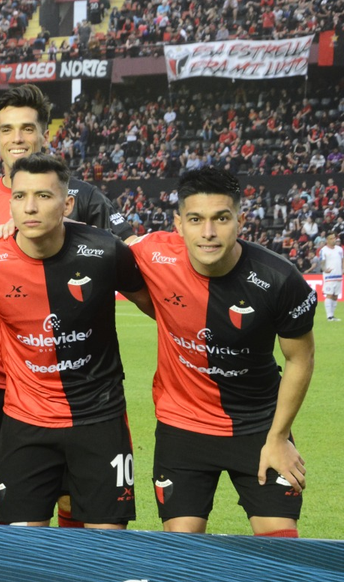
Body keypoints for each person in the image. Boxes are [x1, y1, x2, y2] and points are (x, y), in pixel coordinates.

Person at [0, 154, 154, 528]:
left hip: (99, 418)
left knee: (106, 545)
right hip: (26, 422)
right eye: (20, 196)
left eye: (44, 197)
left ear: (67, 204)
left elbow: (158, 309)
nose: (29, 207)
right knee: (24, 548)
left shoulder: (106, 252)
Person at [0, 82, 132, 526]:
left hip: (76, 385)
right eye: (7, 129)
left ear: (44, 134)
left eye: (27, 128)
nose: (17, 138)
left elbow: (130, 254)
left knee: (73, 498)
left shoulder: (81, 199)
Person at [131, 167, 315, 536]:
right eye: (196, 220)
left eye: (221, 218)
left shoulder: (280, 279)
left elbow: (300, 359)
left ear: (240, 220)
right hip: (182, 428)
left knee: (282, 550)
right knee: (182, 557)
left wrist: (278, 437)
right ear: (179, 224)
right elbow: (85, 245)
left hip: (258, 426)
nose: (209, 233)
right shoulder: (150, 254)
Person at [317, 232, 342, 322]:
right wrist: (324, 269)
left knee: (335, 296)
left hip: (339, 275)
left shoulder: (339, 249)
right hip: (329, 276)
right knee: (329, 295)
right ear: (327, 240)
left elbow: (342, 260)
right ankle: (329, 316)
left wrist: (342, 269)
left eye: (334, 238)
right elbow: (322, 262)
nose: (334, 240)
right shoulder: (324, 250)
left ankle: (332, 315)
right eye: (331, 238)